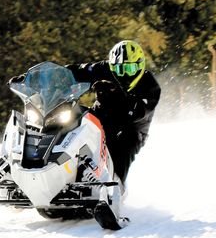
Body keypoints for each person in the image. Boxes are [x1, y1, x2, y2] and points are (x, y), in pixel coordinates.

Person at [66, 40, 160, 186]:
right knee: (73, 118)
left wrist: (113, 93)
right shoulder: (105, 69)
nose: (124, 74)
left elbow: (135, 113)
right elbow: (78, 71)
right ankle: (55, 169)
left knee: (125, 141)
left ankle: (117, 186)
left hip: (132, 128)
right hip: (102, 116)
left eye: (129, 68)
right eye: (119, 69)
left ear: (140, 66)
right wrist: (46, 77)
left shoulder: (150, 85)